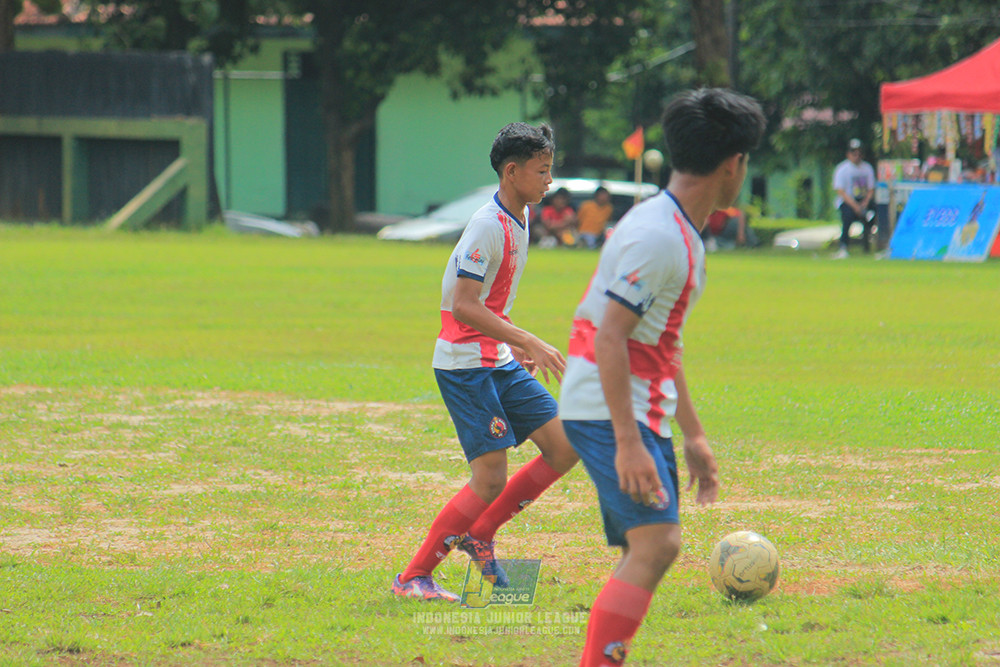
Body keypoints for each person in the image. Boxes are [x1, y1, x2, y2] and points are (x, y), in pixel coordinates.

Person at [559, 88, 766, 666]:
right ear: (733, 164)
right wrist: (628, 442)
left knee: (649, 544)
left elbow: (659, 344)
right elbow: (609, 335)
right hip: (607, 406)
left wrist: (692, 433)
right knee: (657, 543)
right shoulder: (661, 238)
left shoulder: (675, 229)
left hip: (627, 400)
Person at [392, 122, 579, 602]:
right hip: (465, 363)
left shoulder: (520, 215)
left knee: (564, 446)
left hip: (494, 356)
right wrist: (528, 340)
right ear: (512, 172)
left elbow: (490, 301)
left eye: (550, 170)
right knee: (491, 475)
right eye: (542, 171)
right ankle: (414, 576)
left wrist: (511, 342)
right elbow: (464, 305)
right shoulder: (486, 225)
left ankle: (481, 533)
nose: (549, 181)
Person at [832, 138, 877, 258]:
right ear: (848, 154)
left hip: (863, 201)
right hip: (848, 201)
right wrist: (855, 206)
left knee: (874, 214)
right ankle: (843, 246)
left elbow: (871, 189)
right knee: (847, 217)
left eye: (859, 153)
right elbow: (840, 191)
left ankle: (868, 245)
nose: (856, 156)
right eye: (854, 153)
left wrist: (865, 203)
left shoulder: (867, 168)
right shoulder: (842, 169)